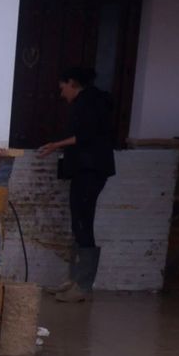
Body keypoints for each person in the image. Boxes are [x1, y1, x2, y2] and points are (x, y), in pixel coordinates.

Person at [38, 66, 117, 303]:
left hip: (90, 169)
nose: (62, 94)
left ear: (72, 83)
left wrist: (55, 145)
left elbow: (86, 135)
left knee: (83, 221)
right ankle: (74, 280)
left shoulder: (91, 102)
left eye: (63, 88)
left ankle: (83, 286)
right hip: (85, 169)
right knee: (78, 221)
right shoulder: (88, 101)